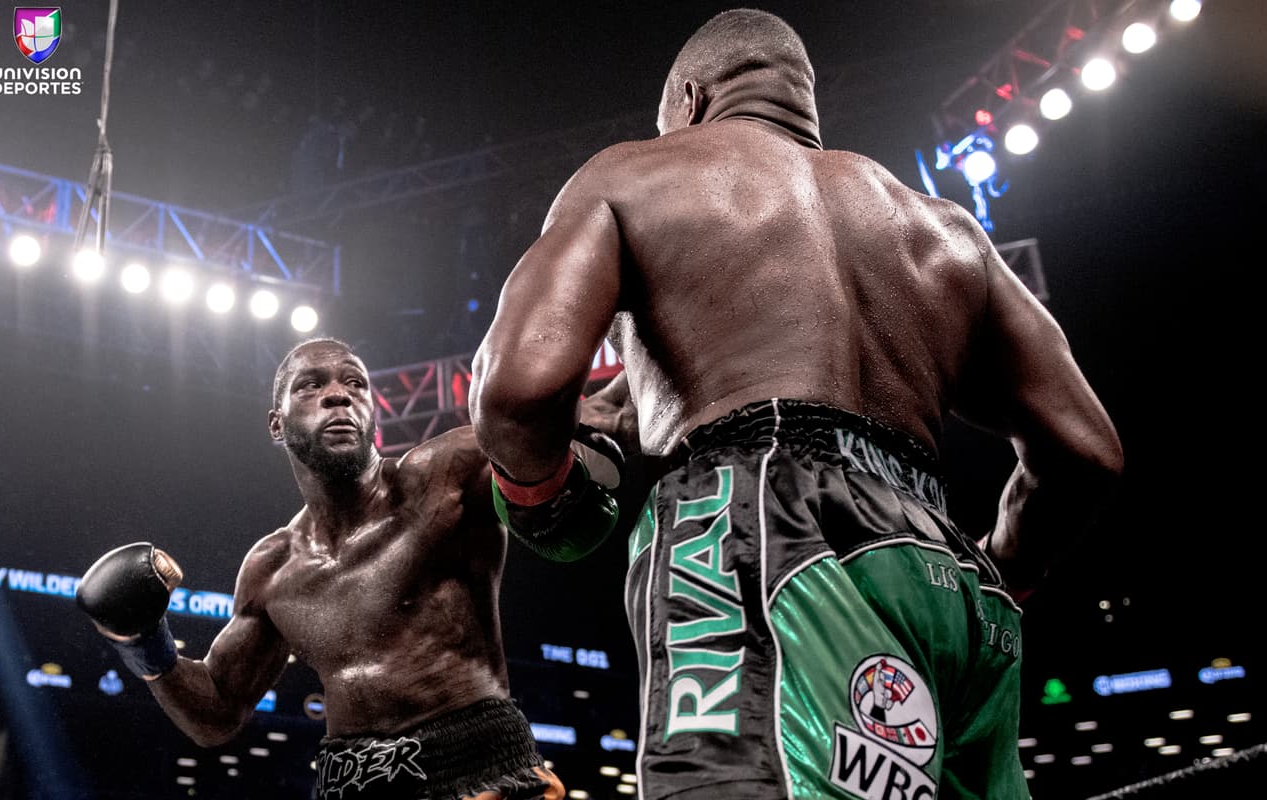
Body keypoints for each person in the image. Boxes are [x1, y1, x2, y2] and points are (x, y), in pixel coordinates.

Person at [469, 9, 1123, 800]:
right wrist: (1006, 568)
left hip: (752, 524)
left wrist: (538, 491)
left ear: (689, 97)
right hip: (944, 568)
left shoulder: (634, 175)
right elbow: (1086, 451)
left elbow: (517, 390)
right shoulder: (945, 231)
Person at [76, 338, 570, 800]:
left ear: (373, 412)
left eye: (355, 383)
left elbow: (592, 419)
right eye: (311, 384)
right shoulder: (272, 569)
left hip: (477, 764)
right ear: (277, 423)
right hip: (349, 783)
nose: (338, 395)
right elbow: (218, 711)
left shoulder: (447, 478)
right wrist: (144, 644)